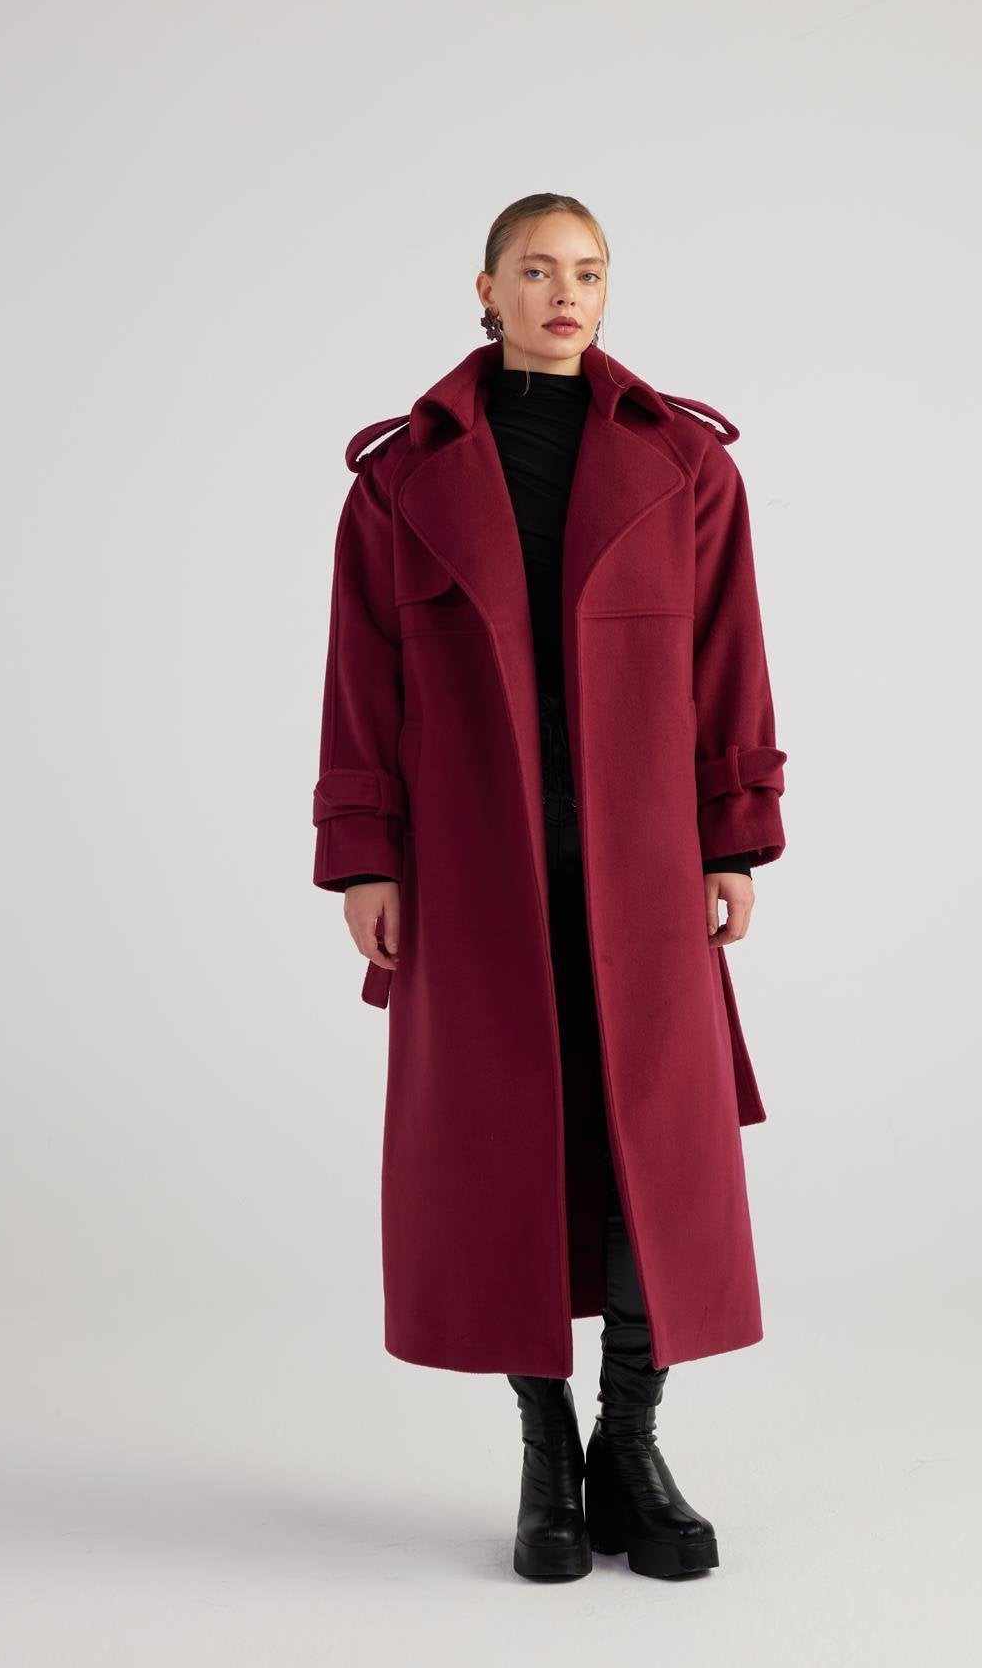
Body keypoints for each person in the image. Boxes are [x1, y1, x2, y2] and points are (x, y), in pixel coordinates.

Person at [312, 194, 788, 1581]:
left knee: (650, 1150)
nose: (565, 293)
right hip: (474, 867)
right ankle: (545, 1456)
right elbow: (360, 677)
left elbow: (728, 657)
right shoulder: (401, 480)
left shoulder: (684, 463)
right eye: (536, 270)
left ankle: (630, 1445)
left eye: (587, 271)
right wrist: (368, 854)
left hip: (644, 865)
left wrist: (732, 835)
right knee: (510, 1147)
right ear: (488, 289)